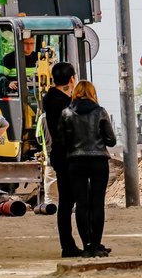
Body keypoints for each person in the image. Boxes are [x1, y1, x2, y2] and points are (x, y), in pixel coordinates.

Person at [58, 80, 117, 258]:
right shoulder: (100, 112)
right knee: (97, 203)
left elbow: (61, 141)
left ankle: (86, 245)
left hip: (76, 162)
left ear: (75, 93)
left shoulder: (66, 113)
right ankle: (97, 245)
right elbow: (112, 140)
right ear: (93, 93)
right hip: (98, 161)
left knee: (81, 204)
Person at [41, 63, 80, 257]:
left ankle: (69, 244)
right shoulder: (64, 102)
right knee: (68, 202)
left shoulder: (50, 98)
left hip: (59, 154)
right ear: (72, 78)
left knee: (66, 201)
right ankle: (70, 245)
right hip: (69, 155)